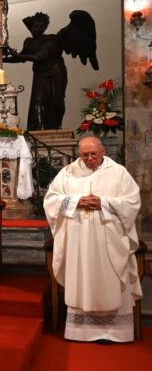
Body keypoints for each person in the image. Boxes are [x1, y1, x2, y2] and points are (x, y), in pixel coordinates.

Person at [44, 137, 142, 343]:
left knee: (111, 278)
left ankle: (113, 332)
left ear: (103, 151)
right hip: (78, 239)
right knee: (82, 276)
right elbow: (51, 199)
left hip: (109, 239)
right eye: (84, 155)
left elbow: (132, 201)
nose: (89, 159)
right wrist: (76, 201)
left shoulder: (118, 172)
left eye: (93, 154)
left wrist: (103, 203)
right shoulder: (68, 172)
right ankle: (81, 331)